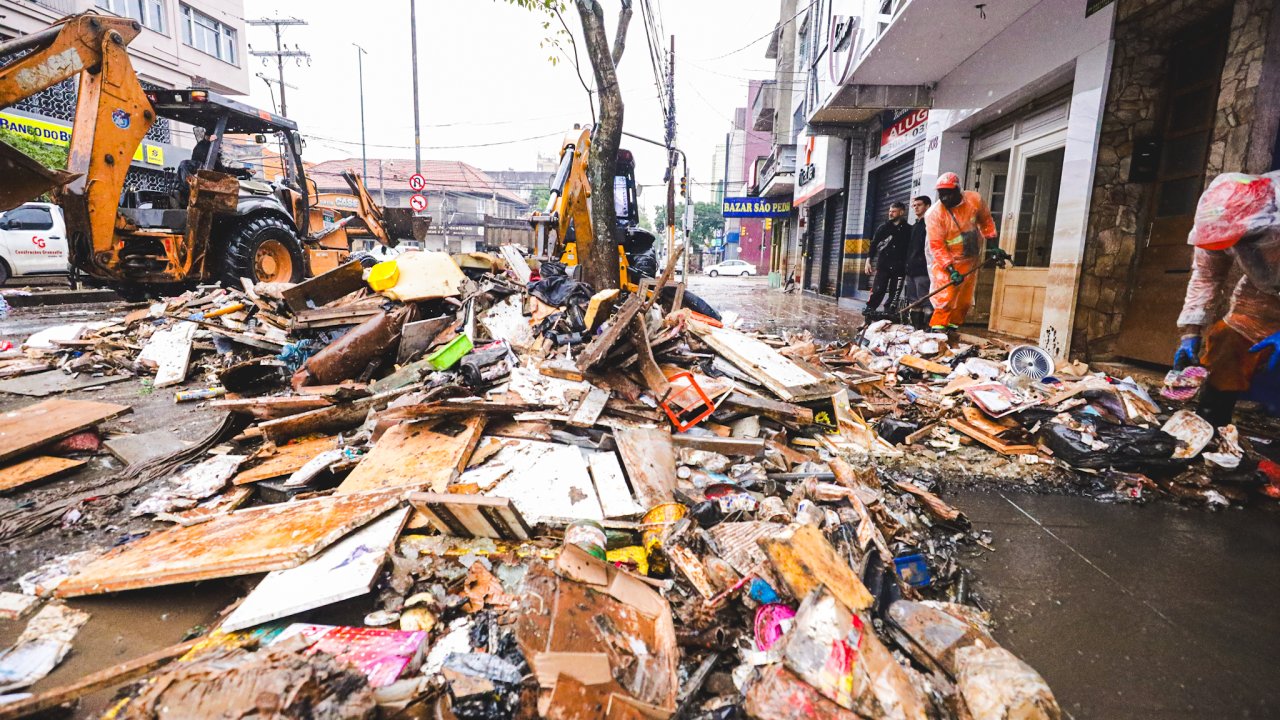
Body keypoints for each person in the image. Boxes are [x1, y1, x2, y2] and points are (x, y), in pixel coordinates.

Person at [1171, 171, 1280, 425]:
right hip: (1262, 290)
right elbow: (1206, 276)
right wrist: (1190, 333)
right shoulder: (1217, 224)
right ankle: (1211, 425)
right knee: (1226, 340)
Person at [924, 172, 998, 330]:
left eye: (948, 194)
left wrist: (993, 245)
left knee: (964, 299)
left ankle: (953, 328)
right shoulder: (935, 214)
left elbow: (986, 221)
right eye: (941, 195)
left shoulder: (974, 200)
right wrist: (950, 269)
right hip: (945, 260)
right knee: (945, 296)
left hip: (969, 258)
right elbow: (937, 246)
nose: (944, 199)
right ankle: (937, 331)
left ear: (958, 190)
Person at [864, 201, 911, 314]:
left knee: (895, 293)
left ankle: (889, 313)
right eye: (890, 211)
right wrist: (868, 260)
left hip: (900, 267)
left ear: (901, 212)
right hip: (883, 265)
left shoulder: (909, 229)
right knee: (878, 289)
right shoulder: (883, 228)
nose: (890, 214)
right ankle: (870, 311)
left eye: (894, 211)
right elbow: (874, 244)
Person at [903, 195, 933, 328]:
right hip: (911, 270)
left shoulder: (930, 225)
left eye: (919, 205)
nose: (916, 208)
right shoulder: (915, 226)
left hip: (923, 270)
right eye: (914, 205)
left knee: (925, 300)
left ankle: (927, 329)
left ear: (927, 206)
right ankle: (917, 330)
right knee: (914, 302)